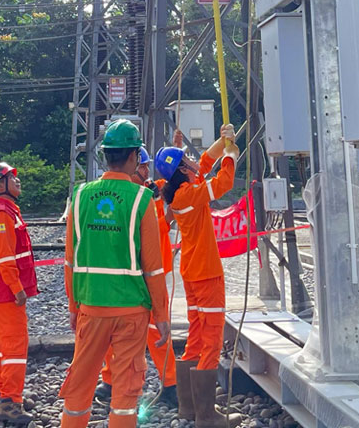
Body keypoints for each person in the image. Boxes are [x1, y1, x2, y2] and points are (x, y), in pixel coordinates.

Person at [59, 119, 171, 428]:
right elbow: (153, 267)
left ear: (105, 155)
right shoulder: (141, 200)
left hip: (91, 307)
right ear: (135, 156)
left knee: (79, 385)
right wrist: (161, 315)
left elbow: (70, 259)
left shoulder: (80, 196)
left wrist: (73, 305)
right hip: (132, 312)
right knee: (125, 392)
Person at [154, 125, 243, 427]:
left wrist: (222, 140)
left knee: (195, 337)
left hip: (193, 273)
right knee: (211, 338)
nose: (192, 160)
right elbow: (223, 183)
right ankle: (206, 416)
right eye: (185, 159)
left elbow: (204, 163)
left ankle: (188, 409)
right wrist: (231, 155)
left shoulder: (181, 191)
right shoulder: (191, 193)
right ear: (181, 168)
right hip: (206, 274)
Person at [93, 146, 178, 408]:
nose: (146, 171)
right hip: (127, 273)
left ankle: (172, 384)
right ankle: (110, 380)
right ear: (131, 163)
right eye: (142, 166)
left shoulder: (151, 195)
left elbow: (166, 220)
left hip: (150, 273)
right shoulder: (127, 197)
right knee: (113, 329)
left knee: (156, 330)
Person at [0, 162, 40, 424]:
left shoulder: (8, 212)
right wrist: (17, 289)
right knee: (15, 345)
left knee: (2, 345)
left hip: (2, 292)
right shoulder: (3, 215)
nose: (17, 180)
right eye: (10, 177)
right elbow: (6, 259)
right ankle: (10, 401)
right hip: (6, 293)